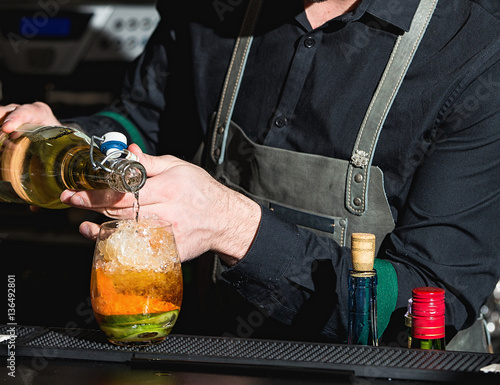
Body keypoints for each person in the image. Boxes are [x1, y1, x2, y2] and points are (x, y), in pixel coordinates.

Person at [1, 0, 500, 346]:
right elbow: (140, 119)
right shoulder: (210, 11)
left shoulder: (475, 50)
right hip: (214, 356)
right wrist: (67, 141)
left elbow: (430, 296)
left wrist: (231, 224)